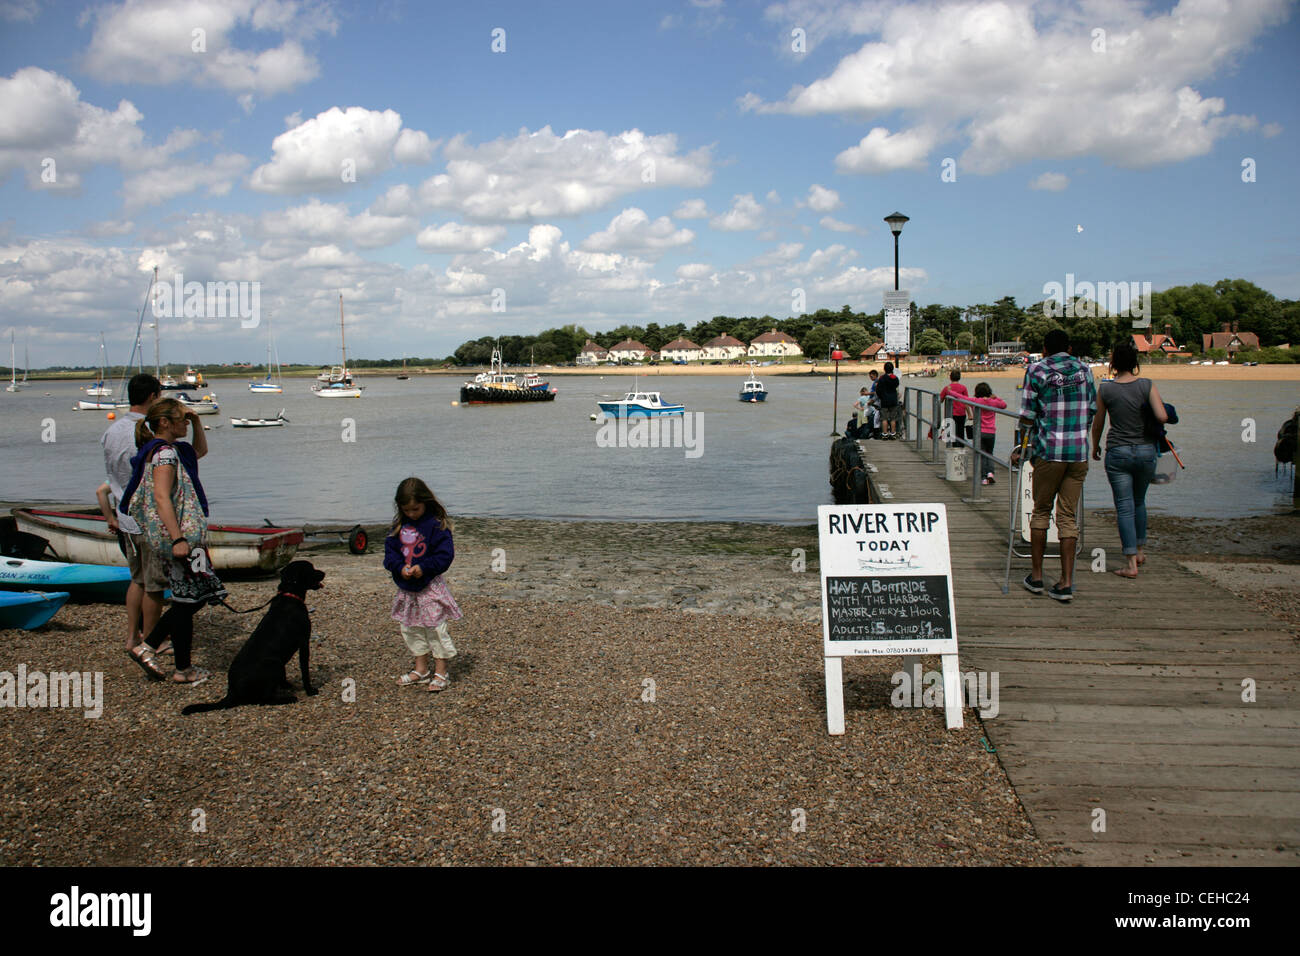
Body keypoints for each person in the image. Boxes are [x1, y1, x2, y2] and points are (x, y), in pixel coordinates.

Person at [119, 397, 222, 684]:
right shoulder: (163, 454)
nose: (185, 423)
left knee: (189, 599)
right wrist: (177, 538)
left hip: (187, 537)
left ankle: (179, 666)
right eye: (182, 419)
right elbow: (161, 497)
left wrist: (198, 421)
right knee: (189, 599)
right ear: (164, 422)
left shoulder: (176, 450)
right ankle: (151, 648)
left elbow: (200, 449)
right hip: (180, 538)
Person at [1010, 329, 1096, 602]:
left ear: (1044, 348)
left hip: (1049, 451)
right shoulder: (1085, 370)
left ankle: (1036, 576)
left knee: (1041, 512)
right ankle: (1066, 581)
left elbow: (1027, 415)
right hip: (1078, 452)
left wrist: (1021, 445)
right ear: (1069, 347)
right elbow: (1092, 408)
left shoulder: (1037, 370)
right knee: (1068, 517)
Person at [99, 373, 166, 658]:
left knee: (137, 579)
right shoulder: (144, 433)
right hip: (145, 515)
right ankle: (151, 641)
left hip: (123, 513)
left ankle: (131, 637)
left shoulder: (111, 431)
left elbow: (111, 477)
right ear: (152, 397)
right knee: (154, 584)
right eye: (159, 397)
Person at [1089, 340, 1168, 578]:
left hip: (1118, 452)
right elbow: (1163, 416)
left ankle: (1131, 563)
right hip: (1145, 451)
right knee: (1139, 502)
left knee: (1124, 507)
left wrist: (1095, 447)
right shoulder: (1146, 385)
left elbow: (1099, 422)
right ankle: (1141, 551)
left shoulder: (1106, 389)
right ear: (1135, 363)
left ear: (1113, 363)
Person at [385, 477, 463, 693]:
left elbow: (445, 556)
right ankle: (421, 669)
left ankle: (441, 671)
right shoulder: (398, 526)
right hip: (407, 589)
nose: (412, 514)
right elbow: (389, 555)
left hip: (430, 587)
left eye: (416, 509)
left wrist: (424, 567)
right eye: (407, 510)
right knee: (410, 627)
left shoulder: (436, 525)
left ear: (426, 502)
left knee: (435, 627)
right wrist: (400, 567)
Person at [961, 382, 1008, 484]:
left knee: (981, 454)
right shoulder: (993, 402)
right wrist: (996, 398)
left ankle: (983, 478)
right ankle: (990, 473)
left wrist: (950, 391)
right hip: (991, 432)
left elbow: (961, 398)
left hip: (979, 432)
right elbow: (1004, 405)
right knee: (989, 453)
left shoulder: (975, 401)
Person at [938, 370, 969, 445]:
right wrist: (970, 414)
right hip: (961, 413)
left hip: (950, 414)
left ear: (950, 377)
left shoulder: (947, 388)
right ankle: (961, 446)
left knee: (950, 433)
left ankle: (952, 446)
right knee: (960, 431)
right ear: (959, 378)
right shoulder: (963, 388)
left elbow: (940, 400)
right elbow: (967, 402)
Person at [876, 361, 901, 439]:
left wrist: (881, 397)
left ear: (884, 369)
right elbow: (897, 385)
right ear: (892, 369)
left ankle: (885, 434)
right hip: (893, 400)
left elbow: (878, 390)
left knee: (884, 418)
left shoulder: (882, 378)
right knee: (893, 418)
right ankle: (893, 433)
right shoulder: (895, 378)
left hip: (884, 400)